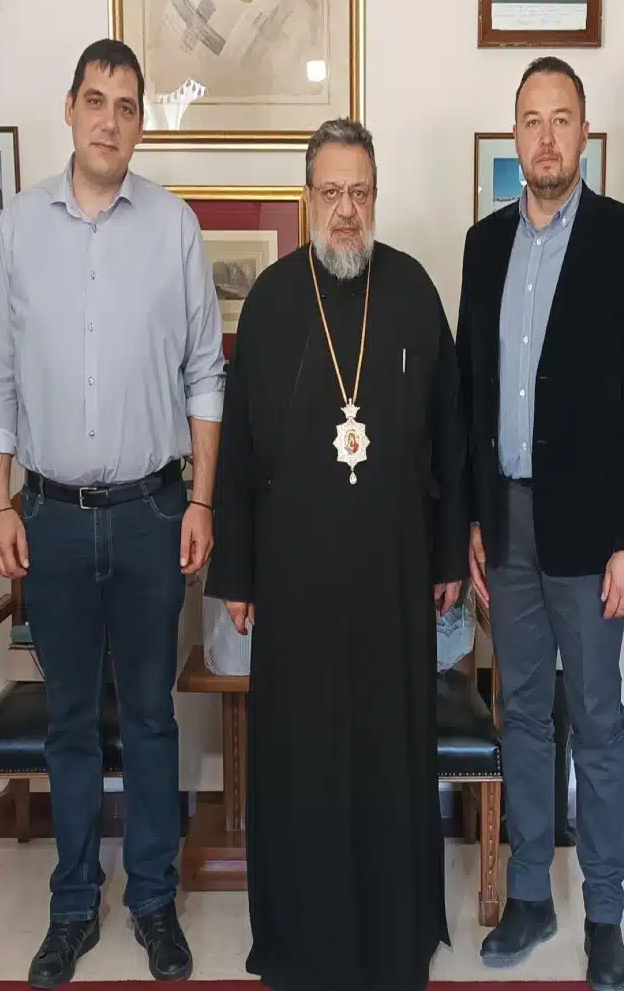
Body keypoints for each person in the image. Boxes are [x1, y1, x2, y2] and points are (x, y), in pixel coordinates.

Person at [0, 39, 224, 987]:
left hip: (154, 513)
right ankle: (74, 904)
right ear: (70, 108)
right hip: (49, 515)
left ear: (139, 121)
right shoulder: (20, 228)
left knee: (154, 718)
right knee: (70, 721)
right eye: (96, 101)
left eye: (127, 106)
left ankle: (153, 899)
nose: (110, 120)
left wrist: (201, 498)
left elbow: (205, 374)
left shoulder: (174, 227)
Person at [202, 116, 468, 991]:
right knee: (303, 754)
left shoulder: (413, 289)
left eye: (360, 192)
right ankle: (302, 936)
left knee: (388, 749)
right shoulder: (273, 301)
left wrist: (447, 558)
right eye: (331, 193)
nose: (346, 210)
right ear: (306, 198)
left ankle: (393, 930)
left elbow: (450, 438)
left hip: (394, 571)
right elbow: (239, 449)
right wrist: (236, 573)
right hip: (295, 578)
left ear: (375, 197)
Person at [455, 55, 624, 991]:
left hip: (593, 534)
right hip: (505, 524)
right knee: (524, 714)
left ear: (584, 132)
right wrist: (471, 514)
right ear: (516, 135)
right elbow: (469, 391)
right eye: (531, 120)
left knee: (597, 718)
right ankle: (531, 894)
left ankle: (606, 914)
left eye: (562, 119)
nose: (546, 137)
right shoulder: (483, 245)